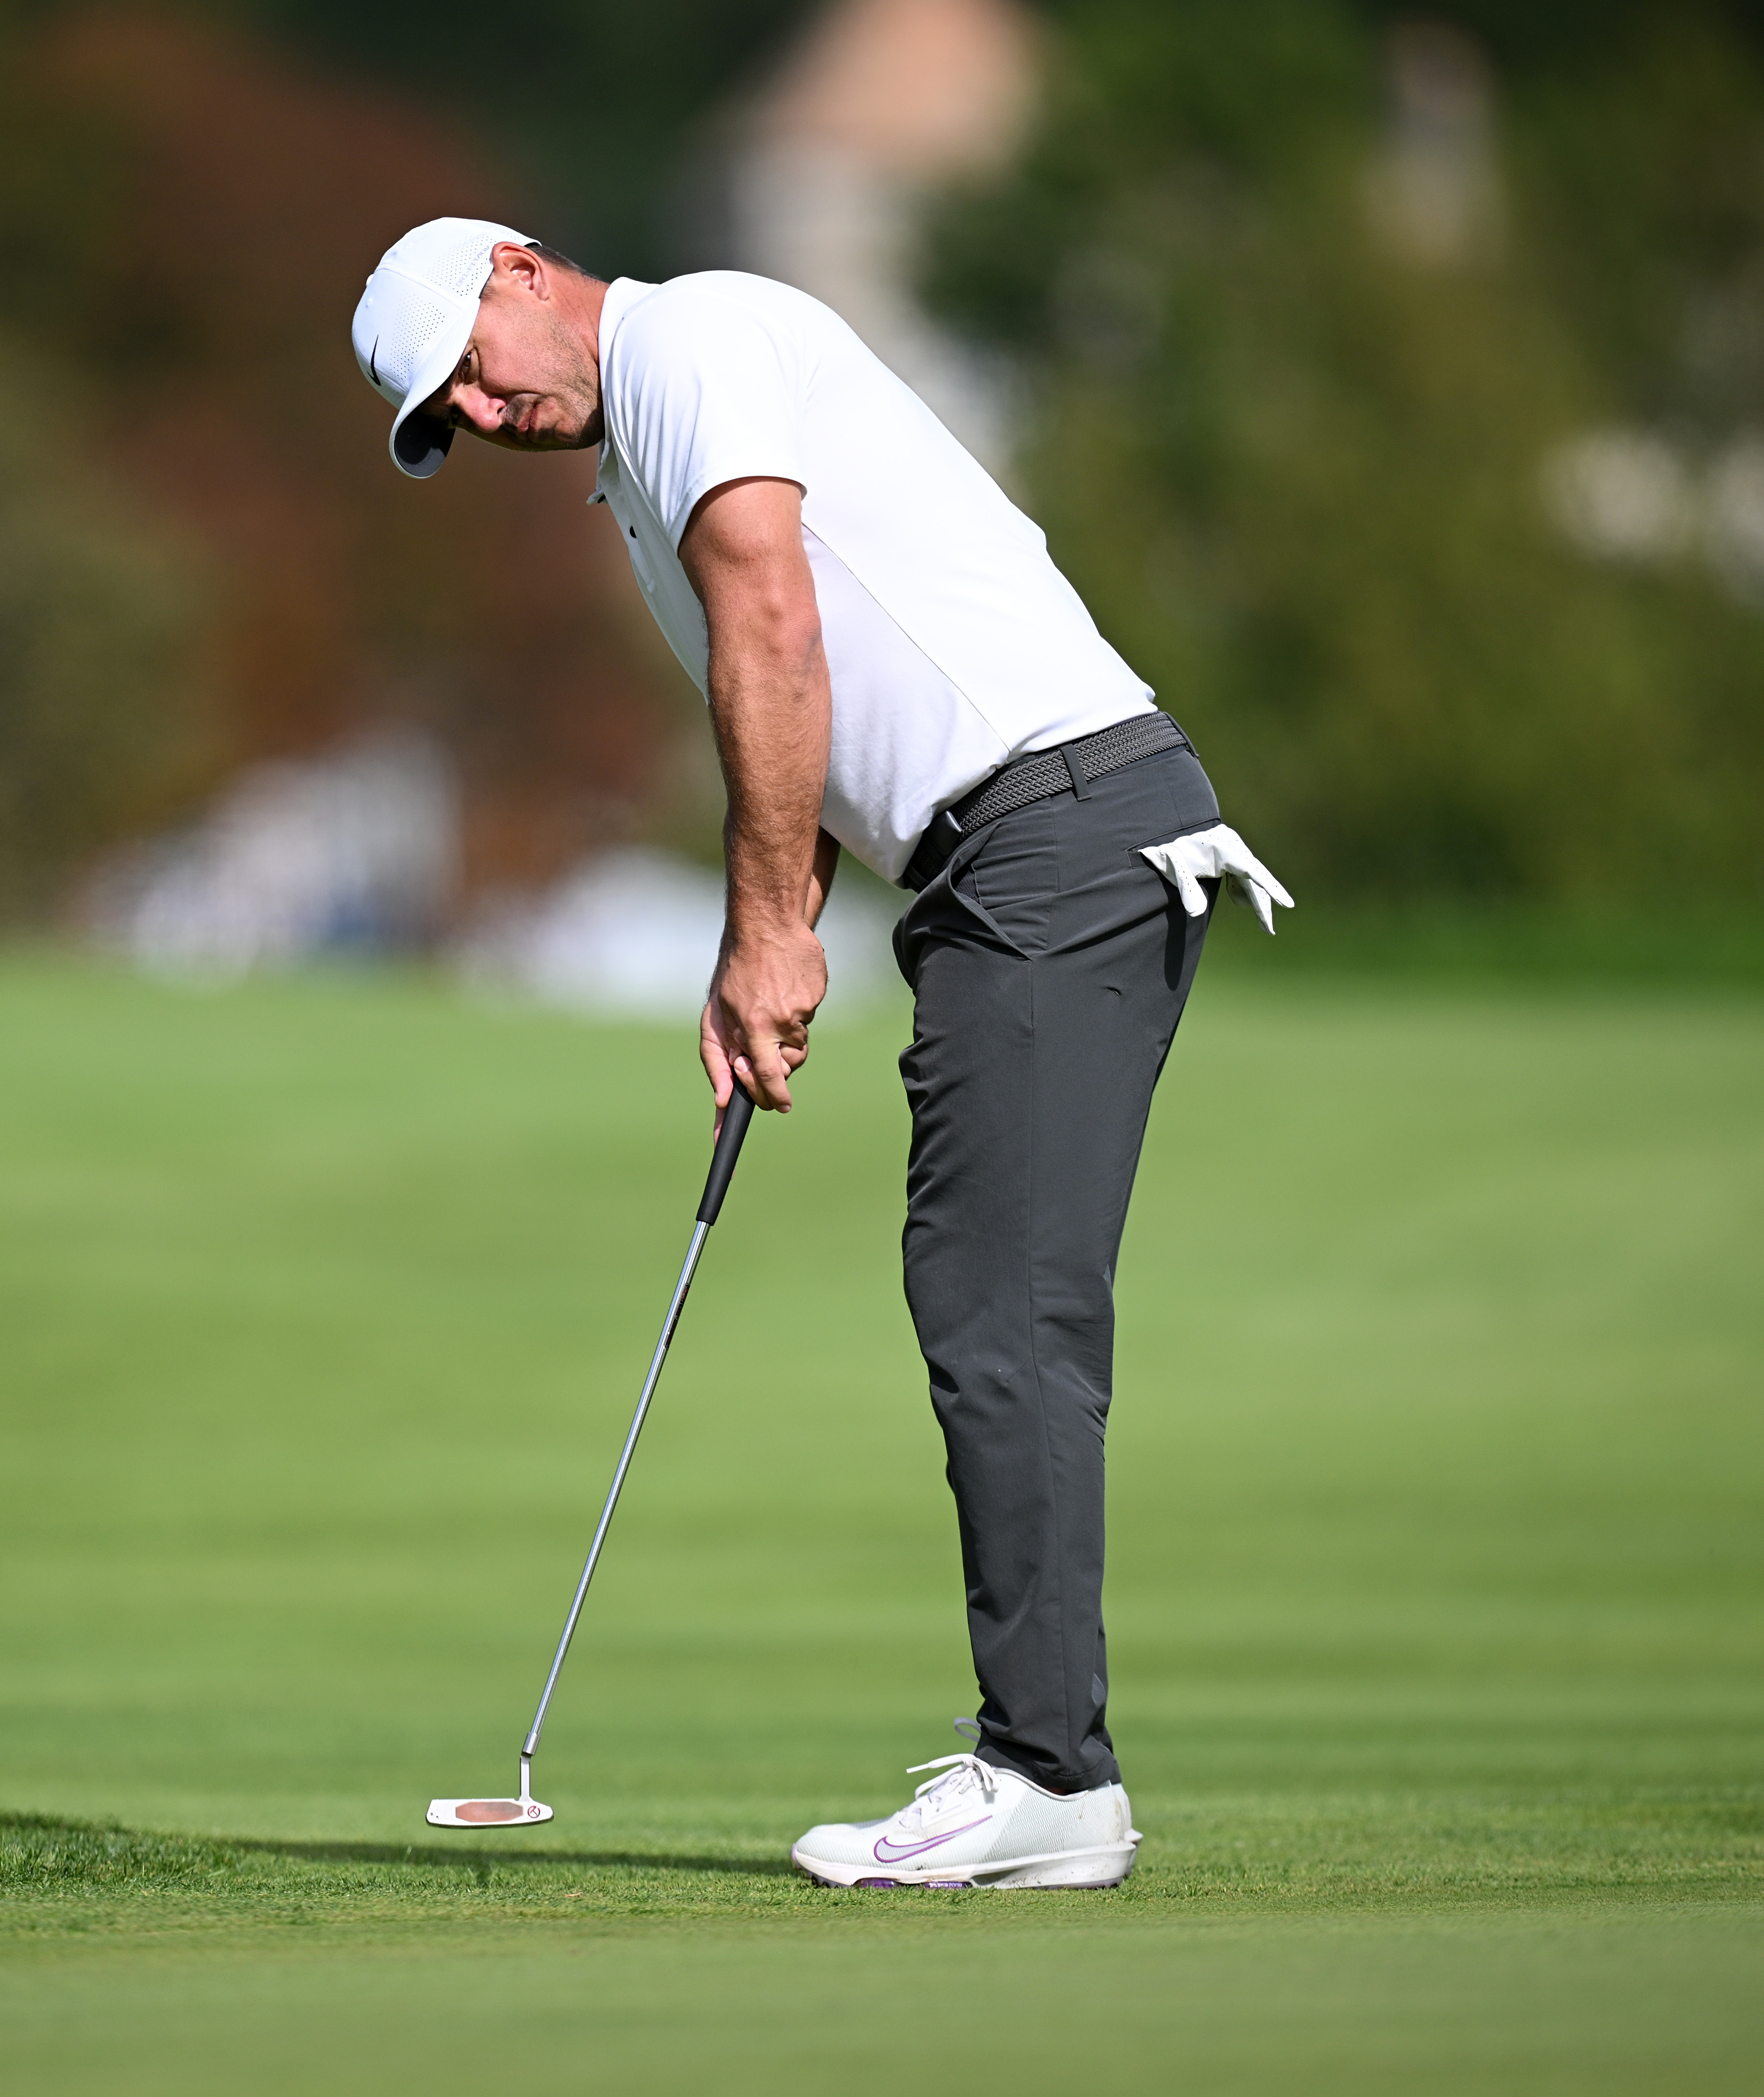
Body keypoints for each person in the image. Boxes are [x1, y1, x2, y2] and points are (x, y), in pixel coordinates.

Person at [351, 219, 1289, 1889]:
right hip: (1019, 851)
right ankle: (1048, 1768)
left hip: (1054, 834)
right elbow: (813, 702)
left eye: (469, 379)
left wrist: (767, 931)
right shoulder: (641, 458)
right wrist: (769, 937)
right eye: (449, 425)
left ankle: (1049, 1780)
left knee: (1001, 1302)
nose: (483, 421)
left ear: (515, 270)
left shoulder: (689, 343)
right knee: (991, 1294)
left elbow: (776, 635)